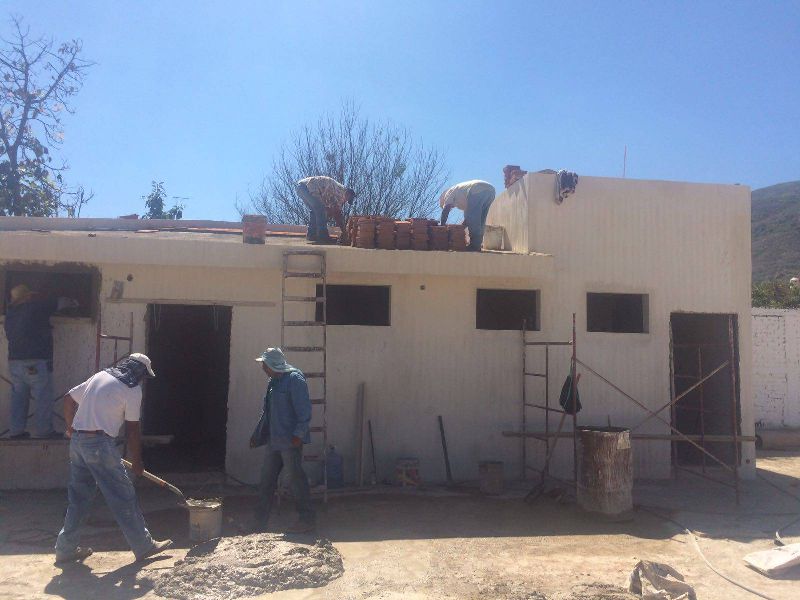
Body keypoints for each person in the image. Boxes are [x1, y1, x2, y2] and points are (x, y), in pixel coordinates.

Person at [54, 353, 173, 564]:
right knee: (122, 495)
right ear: (140, 373)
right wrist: (137, 461)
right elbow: (133, 429)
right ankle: (143, 545)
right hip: (100, 444)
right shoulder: (132, 390)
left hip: (78, 443)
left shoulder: (100, 376)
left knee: (79, 498)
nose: (142, 380)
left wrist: (71, 428)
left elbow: (68, 399)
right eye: (143, 376)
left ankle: (65, 549)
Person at [250, 347, 315, 533]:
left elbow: (304, 412)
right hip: (274, 440)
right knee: (266, 481)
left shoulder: (295, 380)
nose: (263, 368)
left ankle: (307, 520)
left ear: (273, 365)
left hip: (290, 441)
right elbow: (267, 412)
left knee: (296, 481)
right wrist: (258, 435)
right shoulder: (273, 382)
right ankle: (259, 522)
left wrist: (298, 435)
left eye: (265, 365)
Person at [4, 284, 78, 439]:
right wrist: (75, 302)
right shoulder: (36, 307)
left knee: (19, 398)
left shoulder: (10, 314)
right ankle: (44, 431)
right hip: (36, 361)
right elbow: (61, 302)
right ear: (27, 296)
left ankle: (16, 431)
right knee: (43, 397)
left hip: (15, 362)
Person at [296, 176, 356, 244]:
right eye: (347, 199)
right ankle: (323, 237)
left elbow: (331, 210)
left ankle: (311, 235)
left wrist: (328, 213)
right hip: (307, 187)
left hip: (301, 188)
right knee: (320, 209)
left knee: (315, 211)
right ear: (348, 194)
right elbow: (337, 214)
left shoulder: (336, 190)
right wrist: (344, 231)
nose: (345, 201)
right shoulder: (340, 192)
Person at [439, 180, 496, 251]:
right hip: (491, 191)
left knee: (474, 220)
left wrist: (441, 226)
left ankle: (474, 246)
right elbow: (469, 217)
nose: (452, 208)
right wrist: (459, 228)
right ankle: (477, 244)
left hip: (476, 189)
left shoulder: (449, 193)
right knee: (481, 220)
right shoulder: (461, 197)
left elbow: (446, 209)